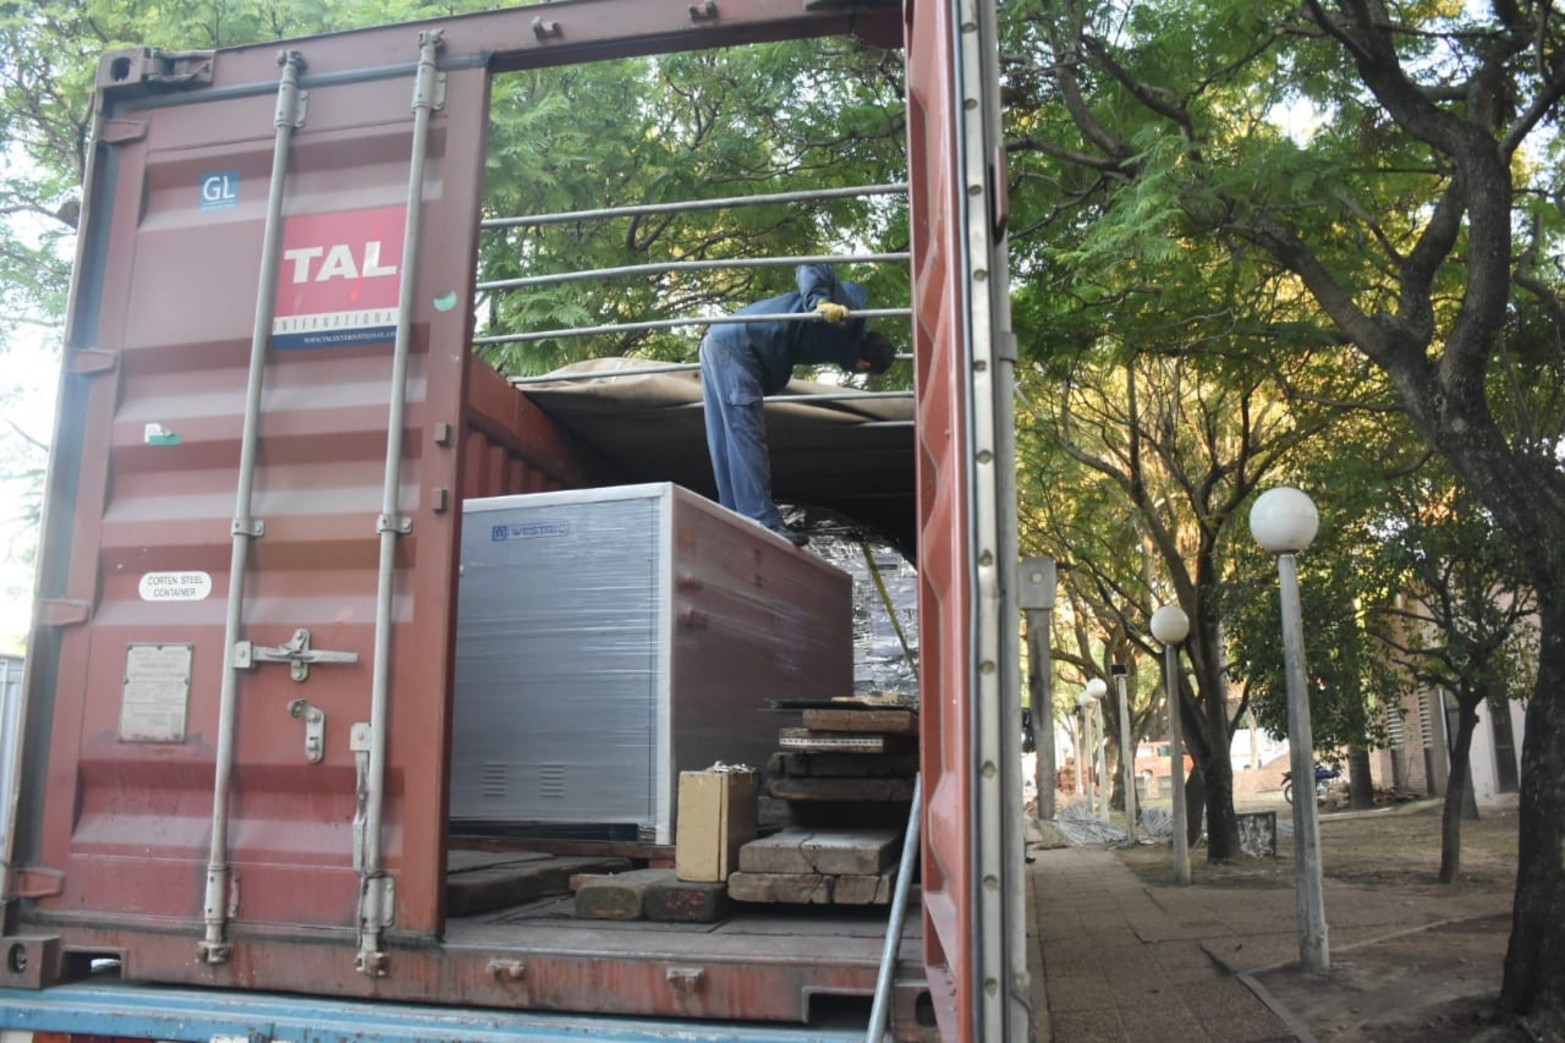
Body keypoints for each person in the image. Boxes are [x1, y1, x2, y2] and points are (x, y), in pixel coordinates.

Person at [699, 263, 896, 545]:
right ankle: (763, 522)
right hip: (741, 349)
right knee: (745, 435)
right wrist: (820, 302)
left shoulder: (843, 336)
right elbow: (814, 266)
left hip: (720, 341)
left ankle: (731, 520)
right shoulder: (848, 319)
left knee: (724, 440)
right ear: (865, 365)